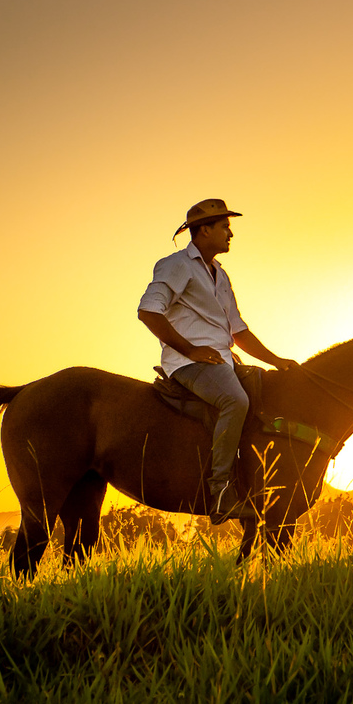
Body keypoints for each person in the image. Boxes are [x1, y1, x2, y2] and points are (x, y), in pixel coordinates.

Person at [137, 198, 298, 523]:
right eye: (225, 226)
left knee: (265, 399)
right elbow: (148, 311)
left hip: (223, 361)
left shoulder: (220, 275)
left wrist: (277, 361)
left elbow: (238, 330)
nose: (230, 233)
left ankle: (252, 481)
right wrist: (190, 350)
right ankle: (221, 493)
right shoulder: (177, 264)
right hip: (188, 364)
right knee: (235, 401)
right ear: (205, 229)